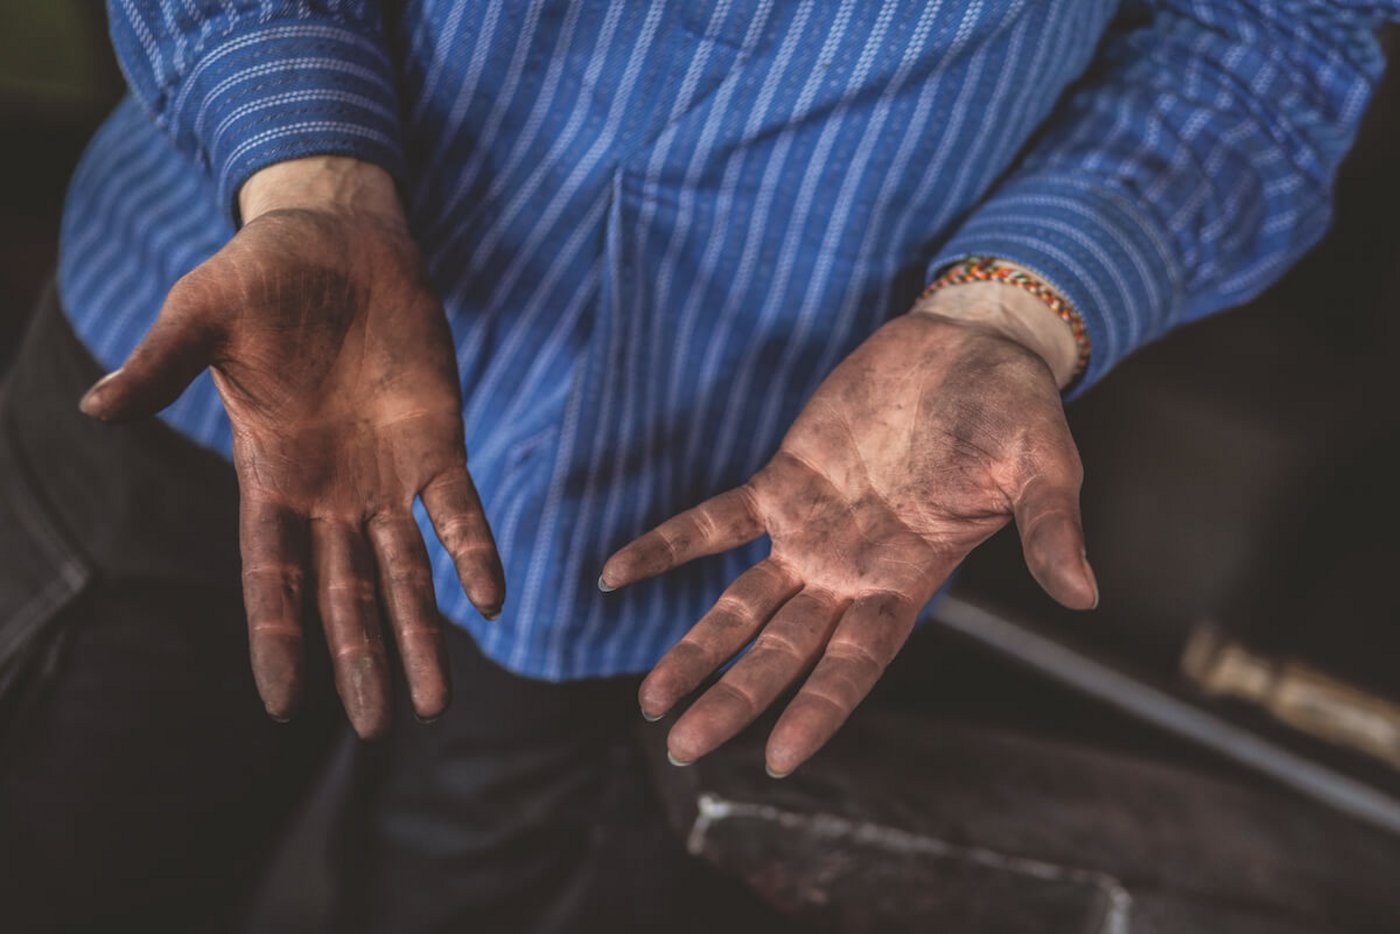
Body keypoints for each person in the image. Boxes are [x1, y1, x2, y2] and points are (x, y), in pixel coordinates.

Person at [1, 0, 1395, 930]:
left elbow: (1275, 36)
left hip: (731, 513)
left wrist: (1007, 315)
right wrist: (303, 162)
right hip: (242, 354)